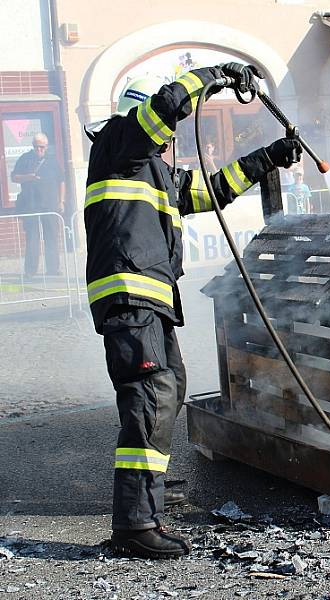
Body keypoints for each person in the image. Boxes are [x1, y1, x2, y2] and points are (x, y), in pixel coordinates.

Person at [84, 63, 301, 559]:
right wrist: (213, 76)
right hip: (129, 295)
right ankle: (135, 523)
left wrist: (270, 156)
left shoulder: (151, 170)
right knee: (151, 394)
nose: (169, 139)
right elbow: (163, 109)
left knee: (169, 385)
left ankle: (148, 492)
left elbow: (210, 189)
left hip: (150, 298)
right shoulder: (118, 145)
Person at [11, 133, 65, 277]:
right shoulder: (25, 159)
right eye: (36, 146)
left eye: (41, 147)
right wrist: (28, 177)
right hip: (31, 205)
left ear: (46, 147)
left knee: (52, 237)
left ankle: (53, 269)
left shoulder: (53, 161)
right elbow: (14, 177)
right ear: (32, 146)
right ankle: (30, 271)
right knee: (32, 239)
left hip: (50, 205)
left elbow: (61, 180)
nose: (39, 149)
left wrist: (61, 201)